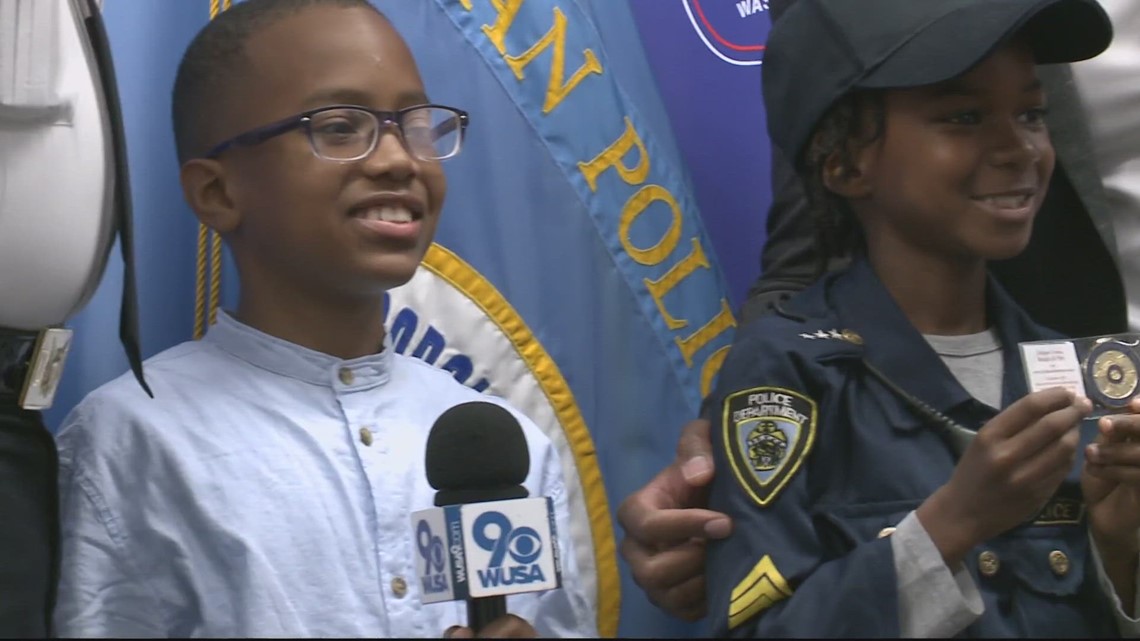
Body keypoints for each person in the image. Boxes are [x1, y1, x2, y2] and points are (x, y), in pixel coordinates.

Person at [50, 0, 595, 637]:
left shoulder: (504, 446)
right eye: (339, 126)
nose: (401, 160)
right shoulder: (129, 445)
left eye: (415, 124)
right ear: (217, 193)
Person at [618, 0, 1140, 625]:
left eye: (1032, 113)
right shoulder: (791, 374)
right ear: (843, 163)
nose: (1017, 147)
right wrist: (953, 523)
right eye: (964, 116)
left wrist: (1115, 544)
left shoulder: (1074, 377)